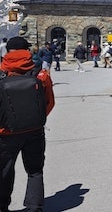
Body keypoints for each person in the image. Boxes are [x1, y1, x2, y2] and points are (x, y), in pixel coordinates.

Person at [0, 36, 55, 212]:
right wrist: (35, 119)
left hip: (5, 133)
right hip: (34, 131)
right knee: (35, 170)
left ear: (8, 51)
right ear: (27, 51)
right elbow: (49, 102)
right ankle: (34, 207)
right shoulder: (40, 73)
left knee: (4, 171)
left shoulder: (1, 73)